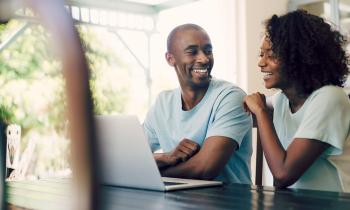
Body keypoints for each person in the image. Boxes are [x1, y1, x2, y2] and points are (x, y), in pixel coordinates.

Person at [244, 10, 350, 192]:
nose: (261, 63)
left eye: (271, 55)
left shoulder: (331, 98)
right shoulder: (282, 100)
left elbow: (283, 174)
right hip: (292, 203)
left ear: (299, 56)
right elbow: (245, 108)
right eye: (261, 54)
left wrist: (261, 112)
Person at [143, 24, 252, 184]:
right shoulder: (162, 103)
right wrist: (165, 157)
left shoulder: (231, 97)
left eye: (208, 51)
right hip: (178, 201)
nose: (204, 58)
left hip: (229, 201)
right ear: (170, 58)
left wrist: (155, 173)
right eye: (192, 52)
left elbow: (204, 169)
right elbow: (134, 157)